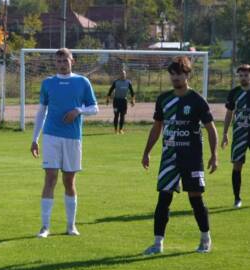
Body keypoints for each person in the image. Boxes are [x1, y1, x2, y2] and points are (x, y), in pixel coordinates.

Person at [141, 56, 218, 255]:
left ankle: (205, 238)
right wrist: (146, 152)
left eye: (179, 73)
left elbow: (211, 129)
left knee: (195, 199)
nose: (175, 77)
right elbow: (157, 128)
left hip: (191, 157)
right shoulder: (164, 99)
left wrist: (214, 155)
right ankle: (157, 244)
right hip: (169, 157)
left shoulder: (197, 100)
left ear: (187, 74)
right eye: (172, 74)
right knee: (163, 199)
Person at [30, 48, 99, 238]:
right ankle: (45, 227)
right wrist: (35, 138)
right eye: (59, 61)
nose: (62, 64)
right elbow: (41, 112)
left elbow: (95, 108)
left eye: (65, 60)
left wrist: (78, 110)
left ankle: (71, 226)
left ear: (72, 61)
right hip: (51, 136)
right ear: (55, 63)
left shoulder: (82, 82)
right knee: (50, 179)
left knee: (69, 181)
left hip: (73, 138)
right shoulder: (48, 83)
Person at [221, 64, 250, 208]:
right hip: (239, 133)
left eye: (246, 75)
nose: (243, 78)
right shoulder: (234, 93)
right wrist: (225, 133)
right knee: (237, 165)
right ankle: (237, 198)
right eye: (241, 76)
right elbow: (229, 114)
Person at [106, 69, 135, 134]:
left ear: (125, 75)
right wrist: (107, 99)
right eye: (121, 74)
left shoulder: (128, 82)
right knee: (116, 115)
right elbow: (110, 91)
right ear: (119, 75)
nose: (122, 75)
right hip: (116, 101)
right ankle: (115, 130)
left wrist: (133, 100)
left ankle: (121, 129)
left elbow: (132, 92)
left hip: (124, 101)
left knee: (122, 116)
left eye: (124, 74)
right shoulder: (116, 82)